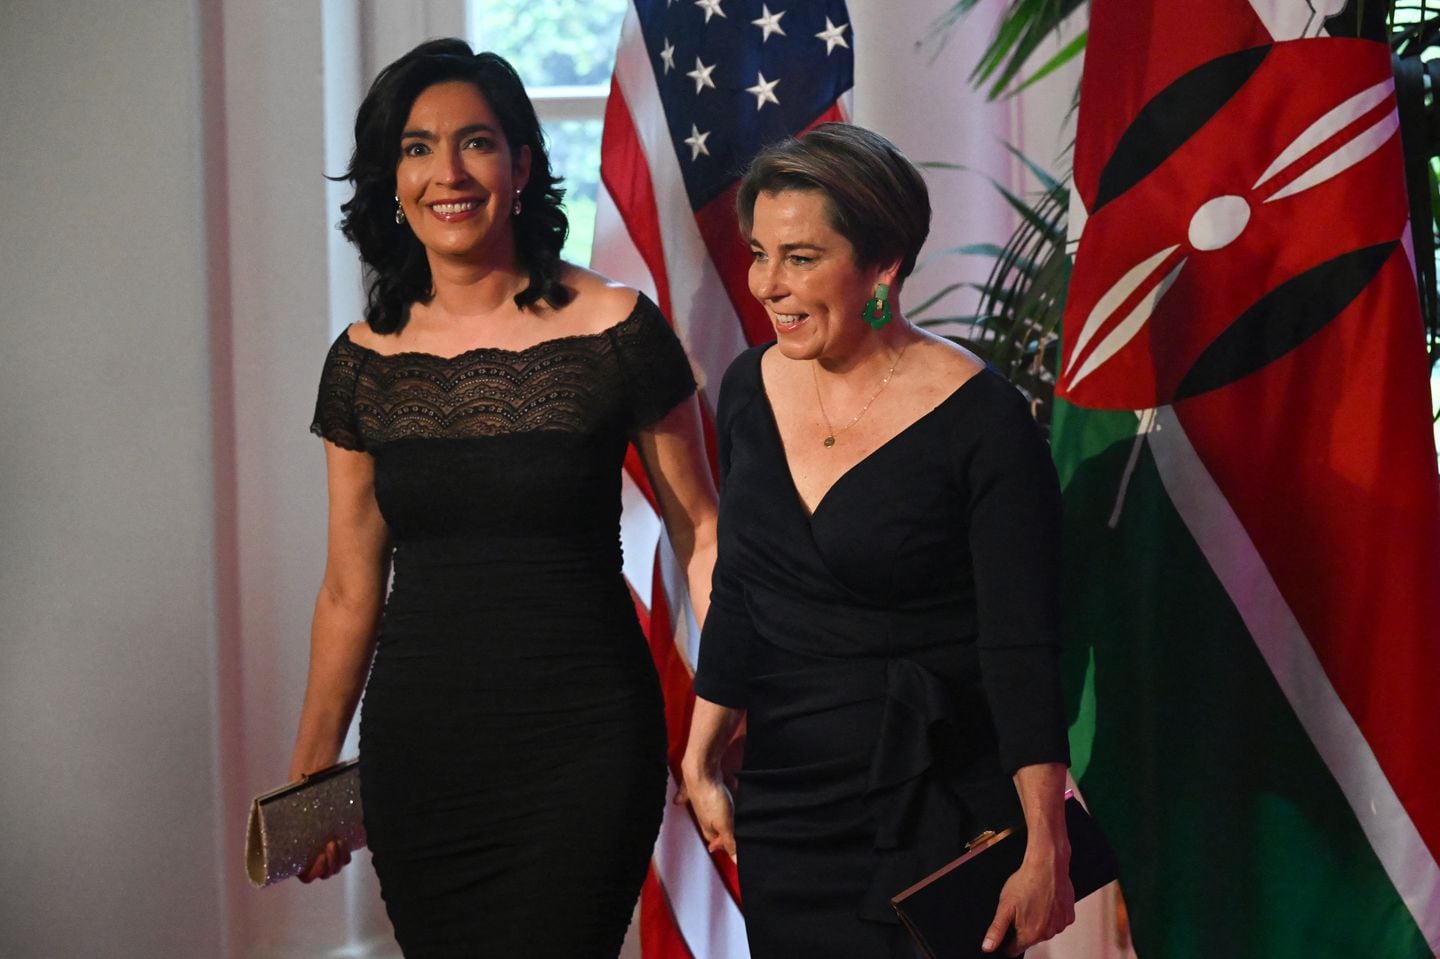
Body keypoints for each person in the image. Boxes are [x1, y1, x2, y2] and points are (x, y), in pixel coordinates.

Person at [288, 39, 718, 957]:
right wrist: (311, 772)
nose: (447, 172)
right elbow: (347, 589)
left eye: (476, 143)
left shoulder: (616, 330)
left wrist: (727, 702)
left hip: (585, 747)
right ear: (390, 180)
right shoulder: (362, 363)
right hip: (423, 756)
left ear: (522, 164)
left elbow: (704, 535)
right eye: (416, 148)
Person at [679, 123, 1076, 958]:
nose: (767, 286)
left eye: (801, 257)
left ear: (884, 263)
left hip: (935, 804)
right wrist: (701, 751)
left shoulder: (986, 421)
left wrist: (1046, 838)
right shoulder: (750, 386)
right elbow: (745, 583)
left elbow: (1024, 642)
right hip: (787, 804)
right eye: (759, 253)